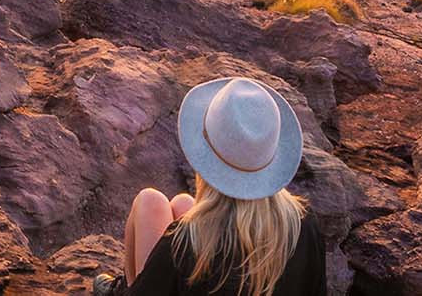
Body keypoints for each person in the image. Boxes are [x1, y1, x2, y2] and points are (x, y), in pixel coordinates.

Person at [95, 77, 327, 296]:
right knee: (183, 204)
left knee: (149, 202)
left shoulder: (184, 245)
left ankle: (122, 287)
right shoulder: (304, 227)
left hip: (178, 263)